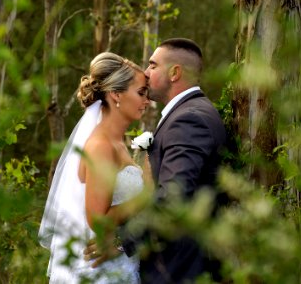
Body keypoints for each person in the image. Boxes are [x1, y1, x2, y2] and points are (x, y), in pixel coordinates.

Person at [85, 38, 227, 283]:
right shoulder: (192, 113)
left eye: (152, 65)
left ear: (175, 73)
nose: (146, 73)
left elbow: (173, 197)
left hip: (180, 268)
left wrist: (122, 243)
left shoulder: (189, 120)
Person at [38, 52, 151, 283]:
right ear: (116, 94)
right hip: (101, 272)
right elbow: (97, 221)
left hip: (118, 264)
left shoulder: (118, 142)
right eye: (141, 92)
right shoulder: (100, 145)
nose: (147, 101)